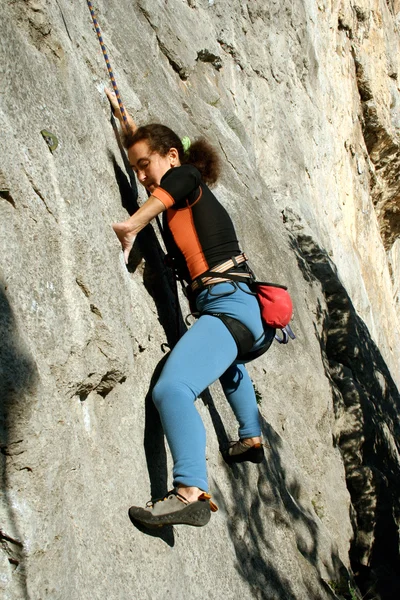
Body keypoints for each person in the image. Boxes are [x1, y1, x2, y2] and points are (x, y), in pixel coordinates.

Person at [106, 89, 273, 528]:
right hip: (244, 319)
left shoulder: (188, 181)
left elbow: (174, 180)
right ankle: (251, 437)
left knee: (171, 389)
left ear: (173, 156)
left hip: (229, 308)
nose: (142, 175)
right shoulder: (176, 184)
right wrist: (127, 123)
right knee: (225, 363)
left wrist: (133, 224)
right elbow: (156, 163)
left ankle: (188, 491)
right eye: (136, 167)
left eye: (146, 165)